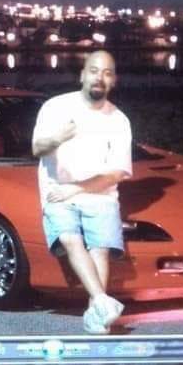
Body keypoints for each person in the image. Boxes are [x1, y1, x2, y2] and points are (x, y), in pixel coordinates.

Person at [31, 50, 132, 334]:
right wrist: (57, 138)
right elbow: (37, 148)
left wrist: (76, 188)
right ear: (82, 75)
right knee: (70, 239)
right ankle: (102, 301)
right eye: (94, 70)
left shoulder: (119, 120)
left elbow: (117, 173)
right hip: (57, 191)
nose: (99, 77)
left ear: (114, 81)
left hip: (100, 194)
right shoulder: (55, 107)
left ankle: (96, 314)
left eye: (107, 73)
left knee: (100, 249)